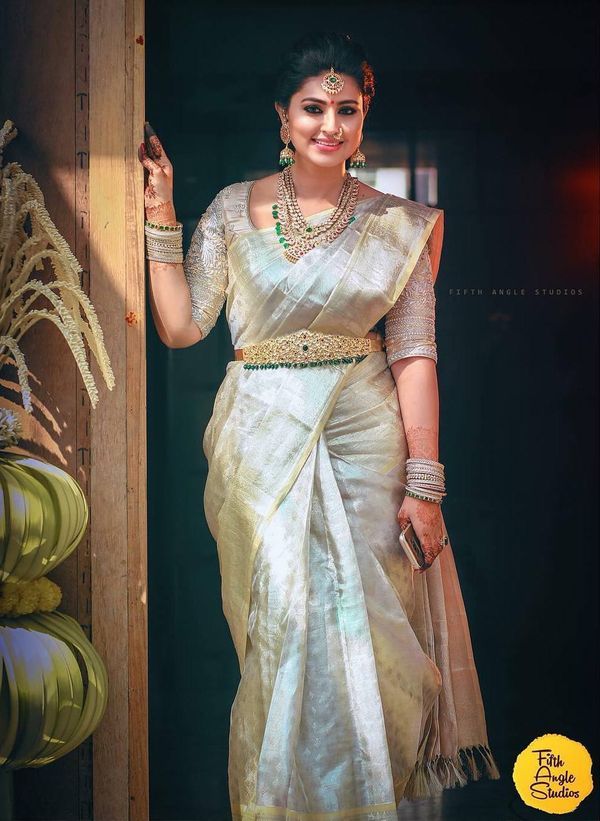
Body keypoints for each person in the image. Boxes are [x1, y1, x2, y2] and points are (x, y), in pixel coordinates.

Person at [139, 31, 501, 821]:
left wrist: (426, 484)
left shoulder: (399, 223)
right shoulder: (234, 209)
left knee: (372, 640)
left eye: (347, 108)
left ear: (365, 116)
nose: (329, 124)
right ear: (283, 115)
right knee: (283, 633)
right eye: (313, 108)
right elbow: (179, 325)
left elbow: (413, 355)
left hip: (369, 446)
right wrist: (162, 212)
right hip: (260, 446)